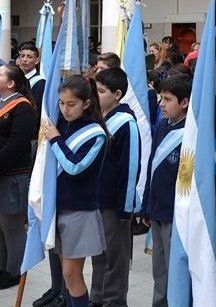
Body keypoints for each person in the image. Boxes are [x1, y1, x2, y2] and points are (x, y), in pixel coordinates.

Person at [42, 75, 109, 307]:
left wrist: (56, 140)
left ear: (86, 103)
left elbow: (75, 168)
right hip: (57, 206)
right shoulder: (60, 123)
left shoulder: (96, 133)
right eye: (62, 103)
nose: (65, 109)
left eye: (71, 104)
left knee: (72, 274)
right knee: (66, 274)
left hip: (79, 210)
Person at [90, 68, 141, 307]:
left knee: (115, 258)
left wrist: (125, 207)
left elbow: (130, 168)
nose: (96, 95)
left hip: (115, 204)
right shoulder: (99, 117)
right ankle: (97, 297)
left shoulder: (126, 123)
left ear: (118, 94)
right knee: (99, 255)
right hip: (96, 200)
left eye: (101, 91)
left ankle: (114, 301)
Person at [141, 74, 190, 307]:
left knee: (175, 269)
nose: (161, 103)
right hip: (157, 210)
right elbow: (153, 165)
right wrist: (146, 205)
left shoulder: (191, 131)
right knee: (159, 268)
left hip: (176, 214)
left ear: (185, 102)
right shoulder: (161, 125)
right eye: (161, 98)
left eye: (168, 99)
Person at [0, 64, 36, 291]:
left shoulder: (22, 107)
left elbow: (17, 144)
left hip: (11, 173)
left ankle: (15, 270)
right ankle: (2, 265)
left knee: (12, 224)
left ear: (11, 83)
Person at [18, 42, 46, 110]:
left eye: (29, 57)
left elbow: (36, 108)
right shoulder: (17, 78)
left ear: (36, 61)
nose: (24, 60)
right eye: (22, 56)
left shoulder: (40, 82)